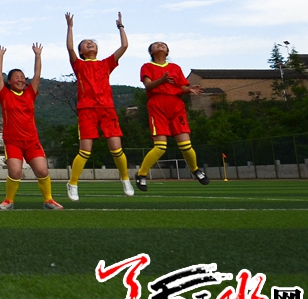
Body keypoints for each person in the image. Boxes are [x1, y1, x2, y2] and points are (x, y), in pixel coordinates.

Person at [64, 12, 133, 201]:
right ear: (81, 52)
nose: (90, 44)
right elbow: (69, 48)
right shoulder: (79, 65)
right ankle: (73, 183)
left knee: (116, 149)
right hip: (86, 110)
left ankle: (125, 179)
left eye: (92, 42)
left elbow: (125, 46)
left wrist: (120, 26)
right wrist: (70, 27)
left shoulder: (106, 64)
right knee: (85, 150)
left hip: (107, 109)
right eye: (85, 43)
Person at [0, 43, 63, 210]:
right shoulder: (4, 95)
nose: (20, 79)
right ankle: (9, 201)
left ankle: (48, 200)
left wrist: (38, 55)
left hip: (32, 141)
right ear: (9, 81)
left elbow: (37, 74)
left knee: (42, 171)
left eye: (22, 77)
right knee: (16, 172)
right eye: (16, 77)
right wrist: (0, 55)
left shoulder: (30, 93)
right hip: (13, 142)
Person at [135, 42, 209, 191]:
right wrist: (162, 80)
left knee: (186, 146)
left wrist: (189, 90)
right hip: (157, 105)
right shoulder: (147, 67)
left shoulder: (175, 68)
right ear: (151, 51)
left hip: (176, 105)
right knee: (160, 147)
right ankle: (141, 174)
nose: (160, 45)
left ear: (168, 51)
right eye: (156, 45)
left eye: (163, 45)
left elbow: (181, 87)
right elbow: (148, 86)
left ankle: (195, 169)